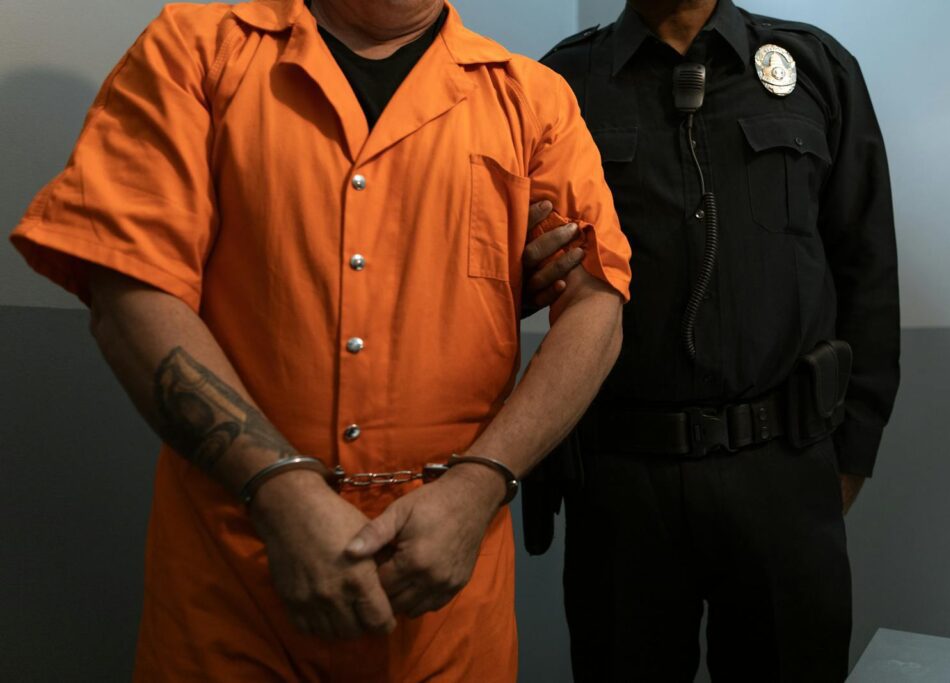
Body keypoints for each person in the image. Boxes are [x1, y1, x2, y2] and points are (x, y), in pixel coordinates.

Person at [9, 0, 632, 680]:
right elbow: (128, 287)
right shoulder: (197, 50)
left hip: (447, 599)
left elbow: (597, 307)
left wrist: (478, 485)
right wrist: (279, 490)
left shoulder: (530, 98)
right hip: (233, 586)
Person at [523, 1, 900, 681]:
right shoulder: (561, 83)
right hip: (621, 481)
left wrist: (848, 457)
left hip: (783, 470)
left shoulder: (816, 68)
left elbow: (867, 271)